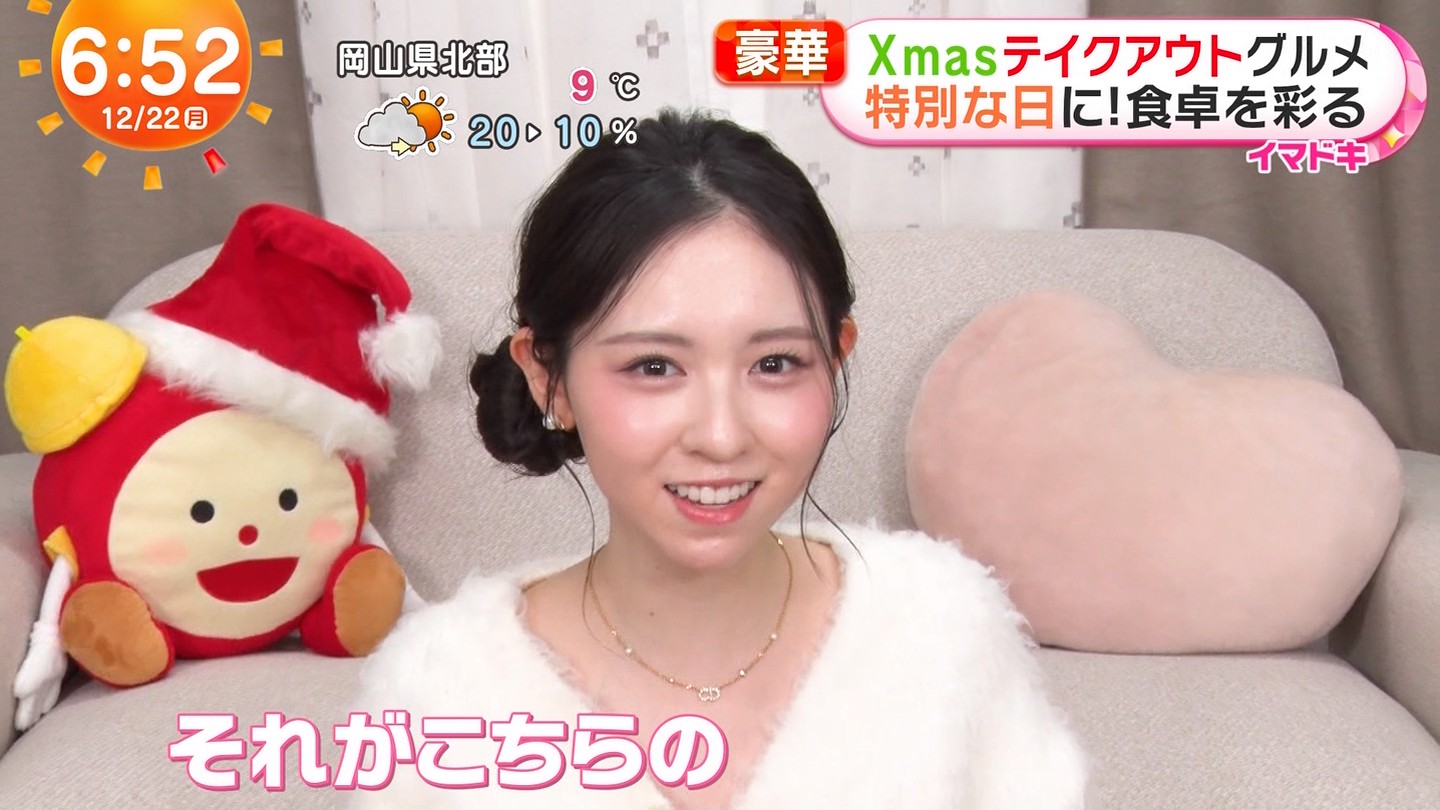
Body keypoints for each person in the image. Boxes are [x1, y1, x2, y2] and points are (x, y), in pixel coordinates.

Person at [349, 108, 1087, 809]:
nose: (723, 436)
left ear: (835, 358)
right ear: (550, 379)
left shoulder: (941, 627)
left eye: (774, 364)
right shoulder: (443, 691)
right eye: (654, 367)